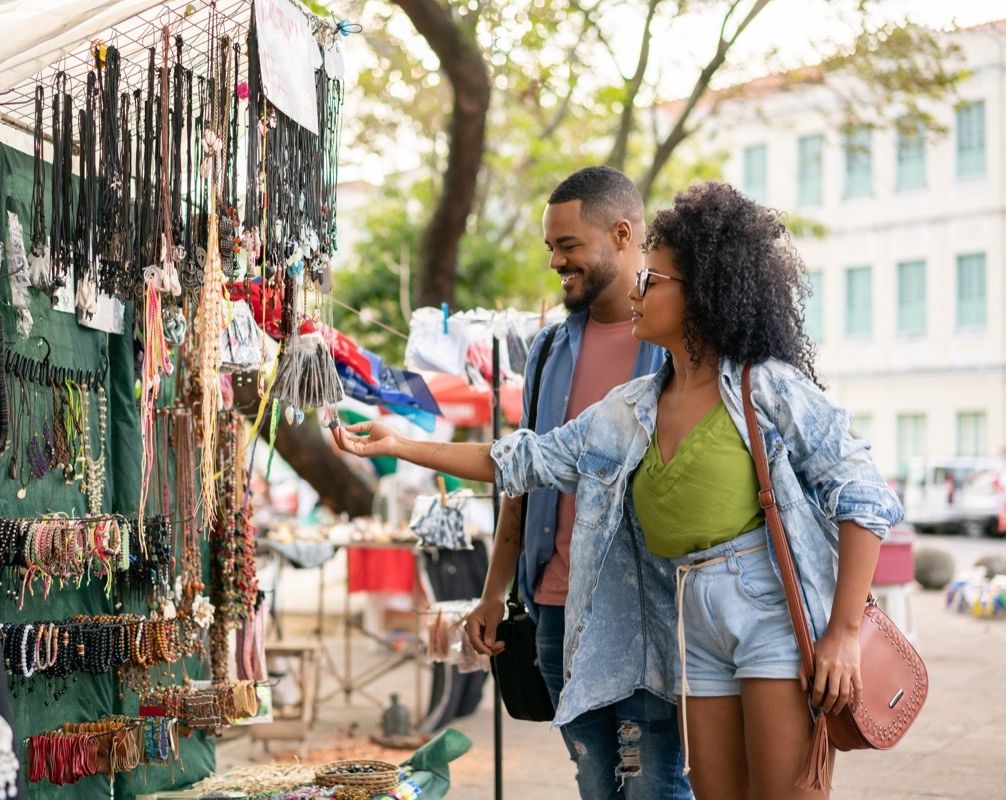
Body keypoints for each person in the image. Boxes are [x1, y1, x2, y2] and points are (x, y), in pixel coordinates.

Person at [332, 182, 903, 799]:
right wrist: (400, 443)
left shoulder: (764, 388)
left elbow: (863, 495)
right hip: (689, 620)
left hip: (768, 611)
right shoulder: (633, 408)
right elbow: (526, 458)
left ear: (701, 295)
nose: (637, 291)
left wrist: (842, 632)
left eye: (651, 282)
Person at [463, 166, 688, 799]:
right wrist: (494, 592)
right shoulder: (547, 350)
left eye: (568, 245)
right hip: (555, 609)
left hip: (646, 607)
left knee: (656, 784)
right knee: (594, 781)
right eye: (551, 248)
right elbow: (523, 474)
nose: (557, 262)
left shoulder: (674, 344)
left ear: (622, 234)